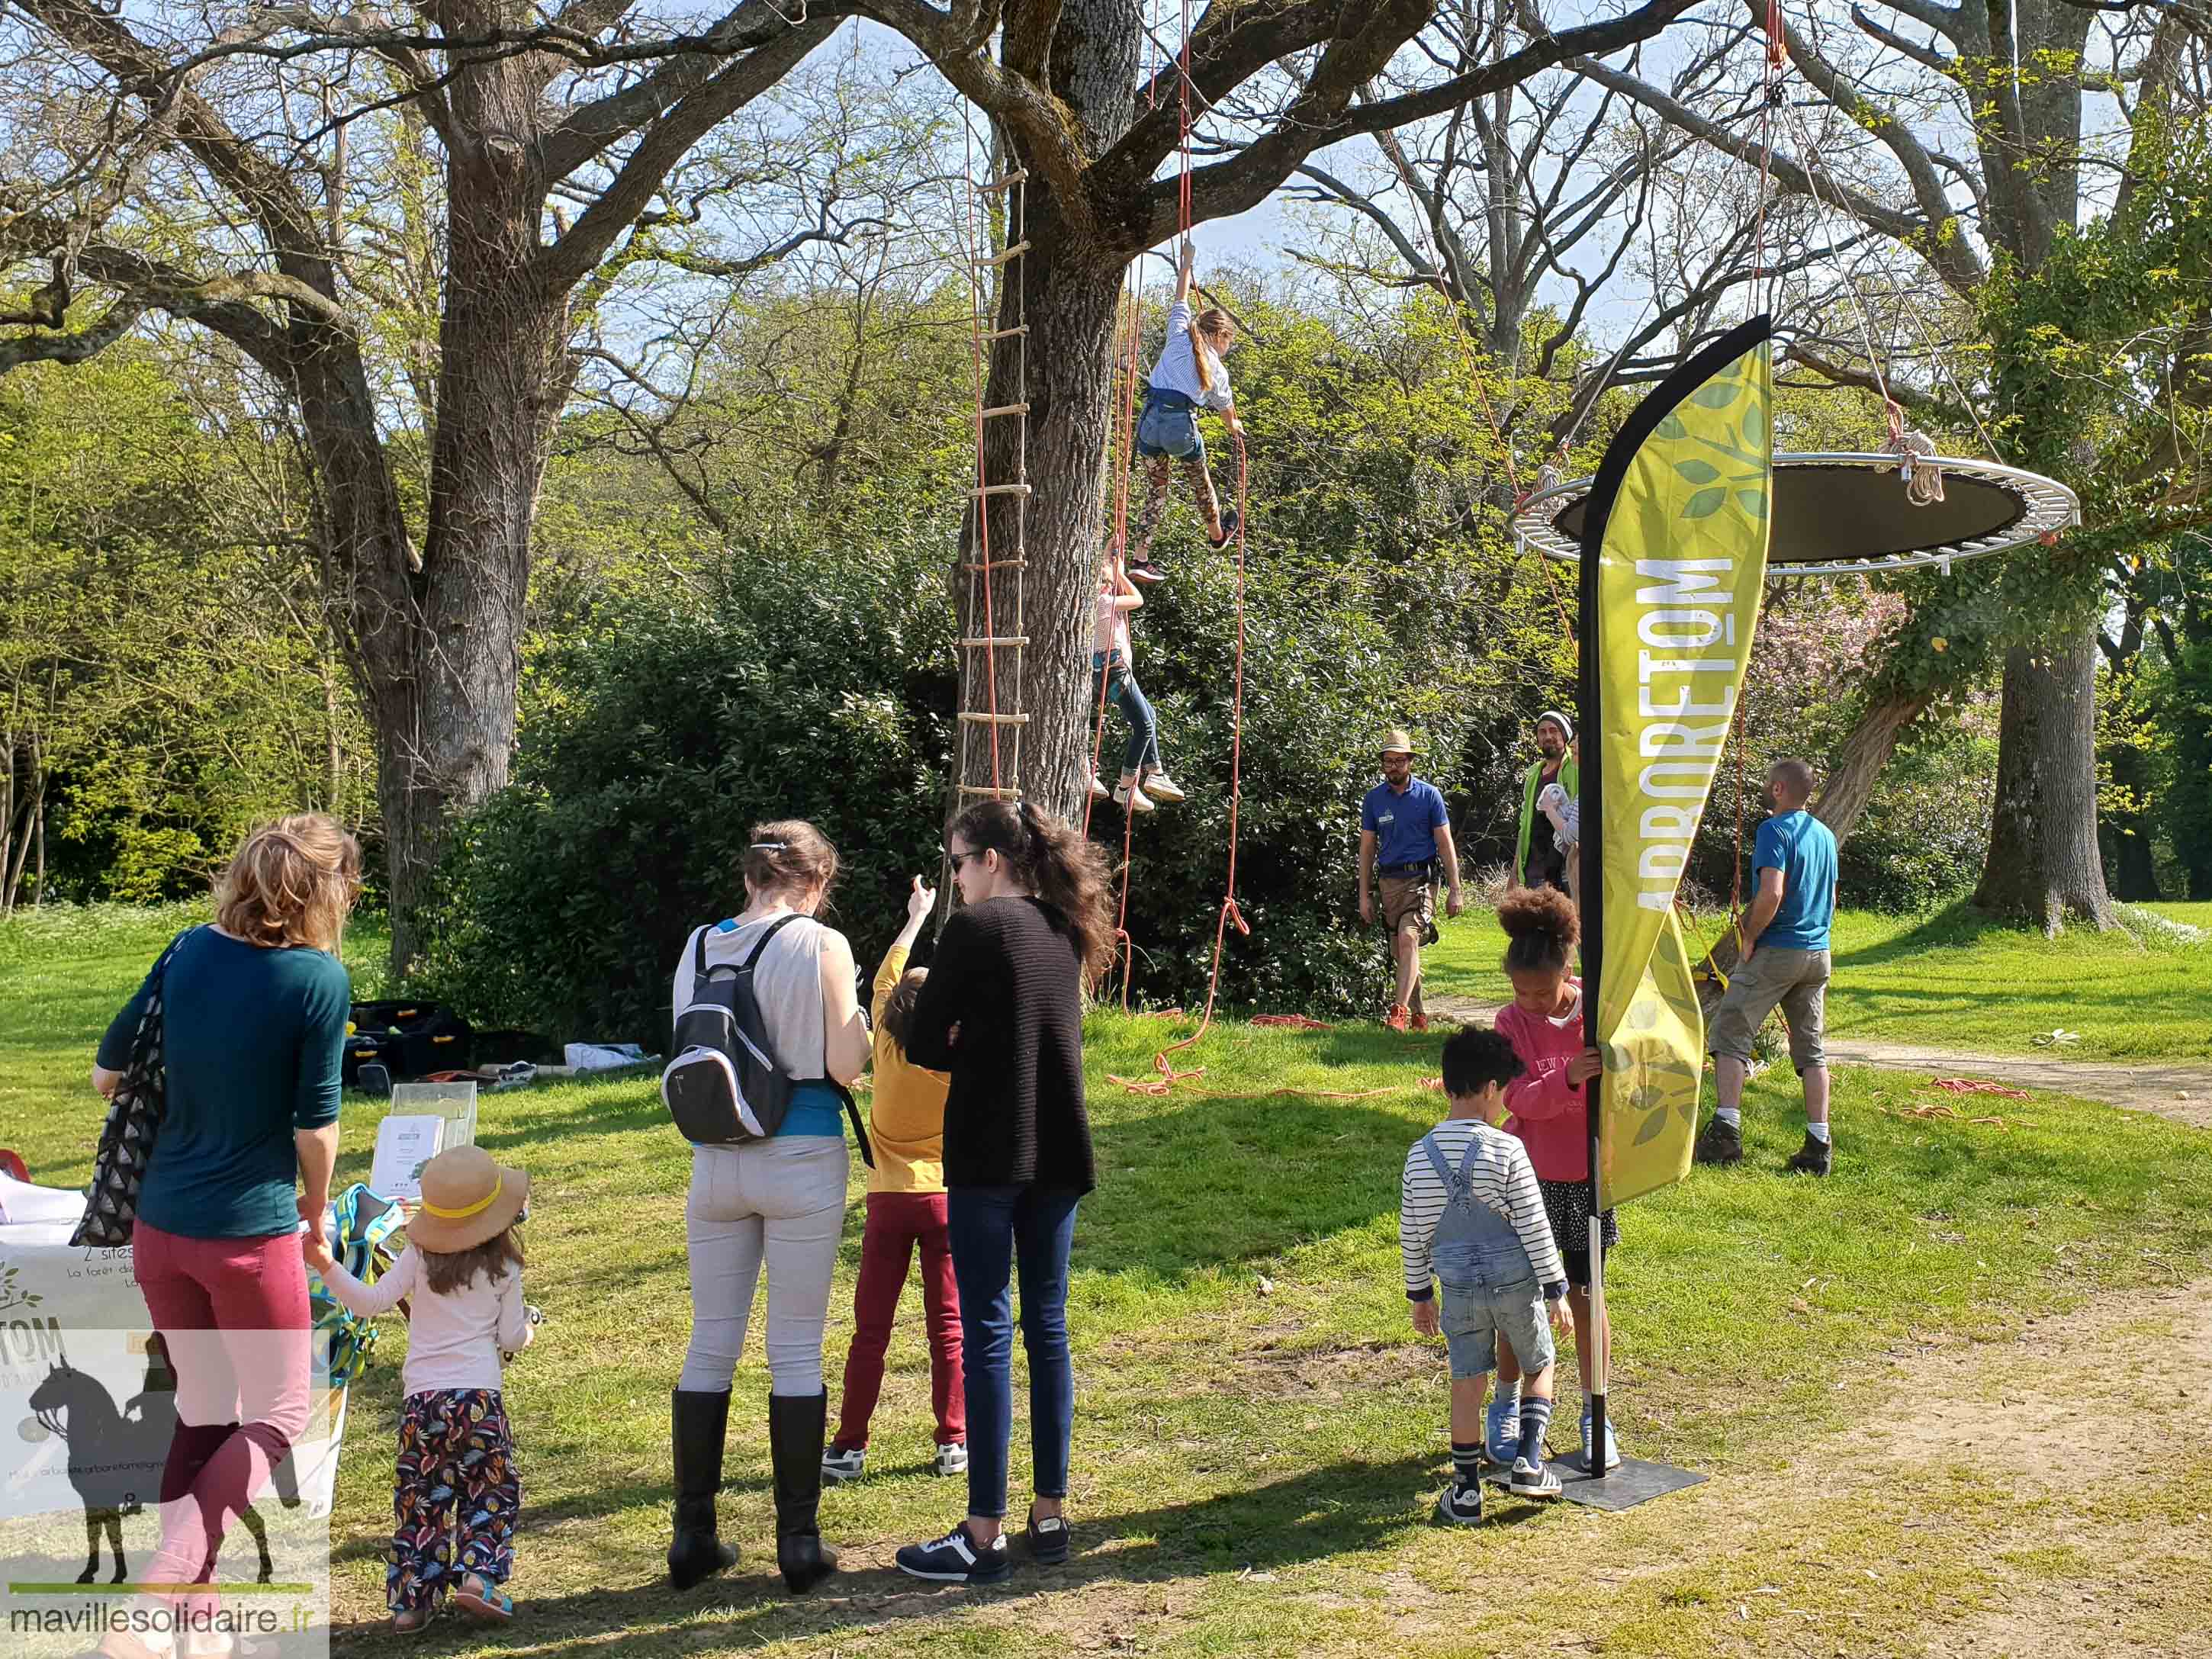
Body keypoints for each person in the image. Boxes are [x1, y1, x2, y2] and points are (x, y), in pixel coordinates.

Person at [89, 815, 355, 1659]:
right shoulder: (317, 979)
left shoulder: (184, 950)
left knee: (202, 1415)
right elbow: (317, 1126)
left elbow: (107, 1074)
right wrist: (316, 1212)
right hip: (249, 1234)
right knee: (279, 1416)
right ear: (323, 891)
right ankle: (156, 1594)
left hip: (159, 1230)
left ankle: (191, 1624)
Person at [892, 799, 1112, 1585]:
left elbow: (921, 1039)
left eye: (956, 862)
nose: (954, 877)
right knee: (1045, 1328)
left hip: (989, 1150)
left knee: (987, 1328)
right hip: (1058, 1151)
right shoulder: (1064, 928)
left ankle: (980, 1533)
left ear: (990, 859)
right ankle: (1049, 1514)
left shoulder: (975, 930)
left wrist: (968, 1050)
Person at [665, 821, 870, 1595]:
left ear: (748, 876)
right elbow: (843, 1065)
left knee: (709, 1343)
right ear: (816, 883)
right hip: (802, 1154)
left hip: (715, 1157)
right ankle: (798, 1543)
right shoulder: (820, 944)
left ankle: (693, 1537)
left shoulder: (695, 946)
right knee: (794, 1348)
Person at [306, 1146, 535, 1633]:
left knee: (421, 1500)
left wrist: (327, 1265)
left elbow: (370, 1302)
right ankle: (478, 1577)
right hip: (478, 1401)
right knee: (489, 1489)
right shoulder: (505, 1268)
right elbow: (513, 1338)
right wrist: (529, 1325)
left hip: (422, 1403)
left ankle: (411, 1604)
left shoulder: (418, 1255)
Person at [823, 876, 967, 1484]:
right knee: (949, 1329)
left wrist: (915, 918)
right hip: (944, 1199)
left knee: (870, 1331)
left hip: (887, 1199)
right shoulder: (956, 1055)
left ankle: (850, 1446)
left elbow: (886, 976)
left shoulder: (884, 1040)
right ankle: (954, 1441)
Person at [1403, 1029, 1570, 1524]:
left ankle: (1467, 1491)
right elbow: (1535, 1225)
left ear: (1447, 1086)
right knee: (1539, 1361)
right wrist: (1556, 1288)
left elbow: (1411, 1232)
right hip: (1515, 1280)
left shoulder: (1418, 1154)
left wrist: (1420, 1294)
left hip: (1456, 1288)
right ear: (1493, 1088)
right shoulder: (1509, 1150)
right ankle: (1529, 1462)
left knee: (1466, 1382)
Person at [1489, 886, 1622, 1474]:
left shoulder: (1599, 1010)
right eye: (1521, 991)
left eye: (1543, 991)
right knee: (1519, 1301)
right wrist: (1566, 1078)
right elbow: (1514, 1096)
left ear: (1569, 970)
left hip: (1588, 1178)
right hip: (1528, 1180)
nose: (1532, 1002)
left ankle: (1597, 1415)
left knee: (1587, 1296)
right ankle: (1507, 1406)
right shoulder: (1509, 1022)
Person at [1695, 758, 1841, 1176]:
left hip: (1778, 948)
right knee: (1812, 1050)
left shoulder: (1773, 830)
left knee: (1729, 1033)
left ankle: (1726, 1133)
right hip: (1818, 953)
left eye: (1766, 783)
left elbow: (1771, 892)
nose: (1762, 787)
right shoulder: (1825, 835)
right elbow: (1830, 899)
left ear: (1778, 789)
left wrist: (1750, 935)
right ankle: (1818, 1144)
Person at [1123, 240, 1243, 584]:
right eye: (1227, 342)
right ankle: (1218, 534)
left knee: (1157, 491)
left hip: (1149, 426)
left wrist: (1187, 261)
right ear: (1220, 335)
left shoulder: (1178, 334)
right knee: (1200, 482)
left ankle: (1140, 558)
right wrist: (1234, 426)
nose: (1227, 349)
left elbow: (1181, 295)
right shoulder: (1217, 369)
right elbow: (1226, 409)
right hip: (1179, 428)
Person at [1357, 729, 1465, 1031]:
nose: (1394, 766)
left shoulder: (1429, 796)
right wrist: (1364, 896)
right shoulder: (1374, 800)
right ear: (1382, 764)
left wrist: (1455, 889)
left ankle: (1398, 1013)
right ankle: (1419, 1016)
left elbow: (1445, 844)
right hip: (1389, 883)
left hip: (1423, 879)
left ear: (1410, 762)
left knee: (1408, 937)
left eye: (1400, 760)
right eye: (1388, 761)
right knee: (1402, 951)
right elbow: (1367, 849)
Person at [1089, 552, 1187, 814]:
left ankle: (1154, 771)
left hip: (1112, 672)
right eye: (1108, 580)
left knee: (1150, 716)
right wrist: (1121, 574)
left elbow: (1104, 562)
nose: (1112, 584)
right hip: (1116, 671)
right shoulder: (1103, 602)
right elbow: (1138, 599)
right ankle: (1125, 787)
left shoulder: (1101, 602)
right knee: (1143, 726)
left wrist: (1112, 550)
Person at [1516, 712, 1579, 892]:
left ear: (1565, 735)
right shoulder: (1534, 774)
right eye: (1542, 732)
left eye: (1554, 731)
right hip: (1534, 872)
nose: (1548, 736)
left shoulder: (1576, 767)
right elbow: (1524, 828)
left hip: (1567, 871)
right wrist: (1514, 875)